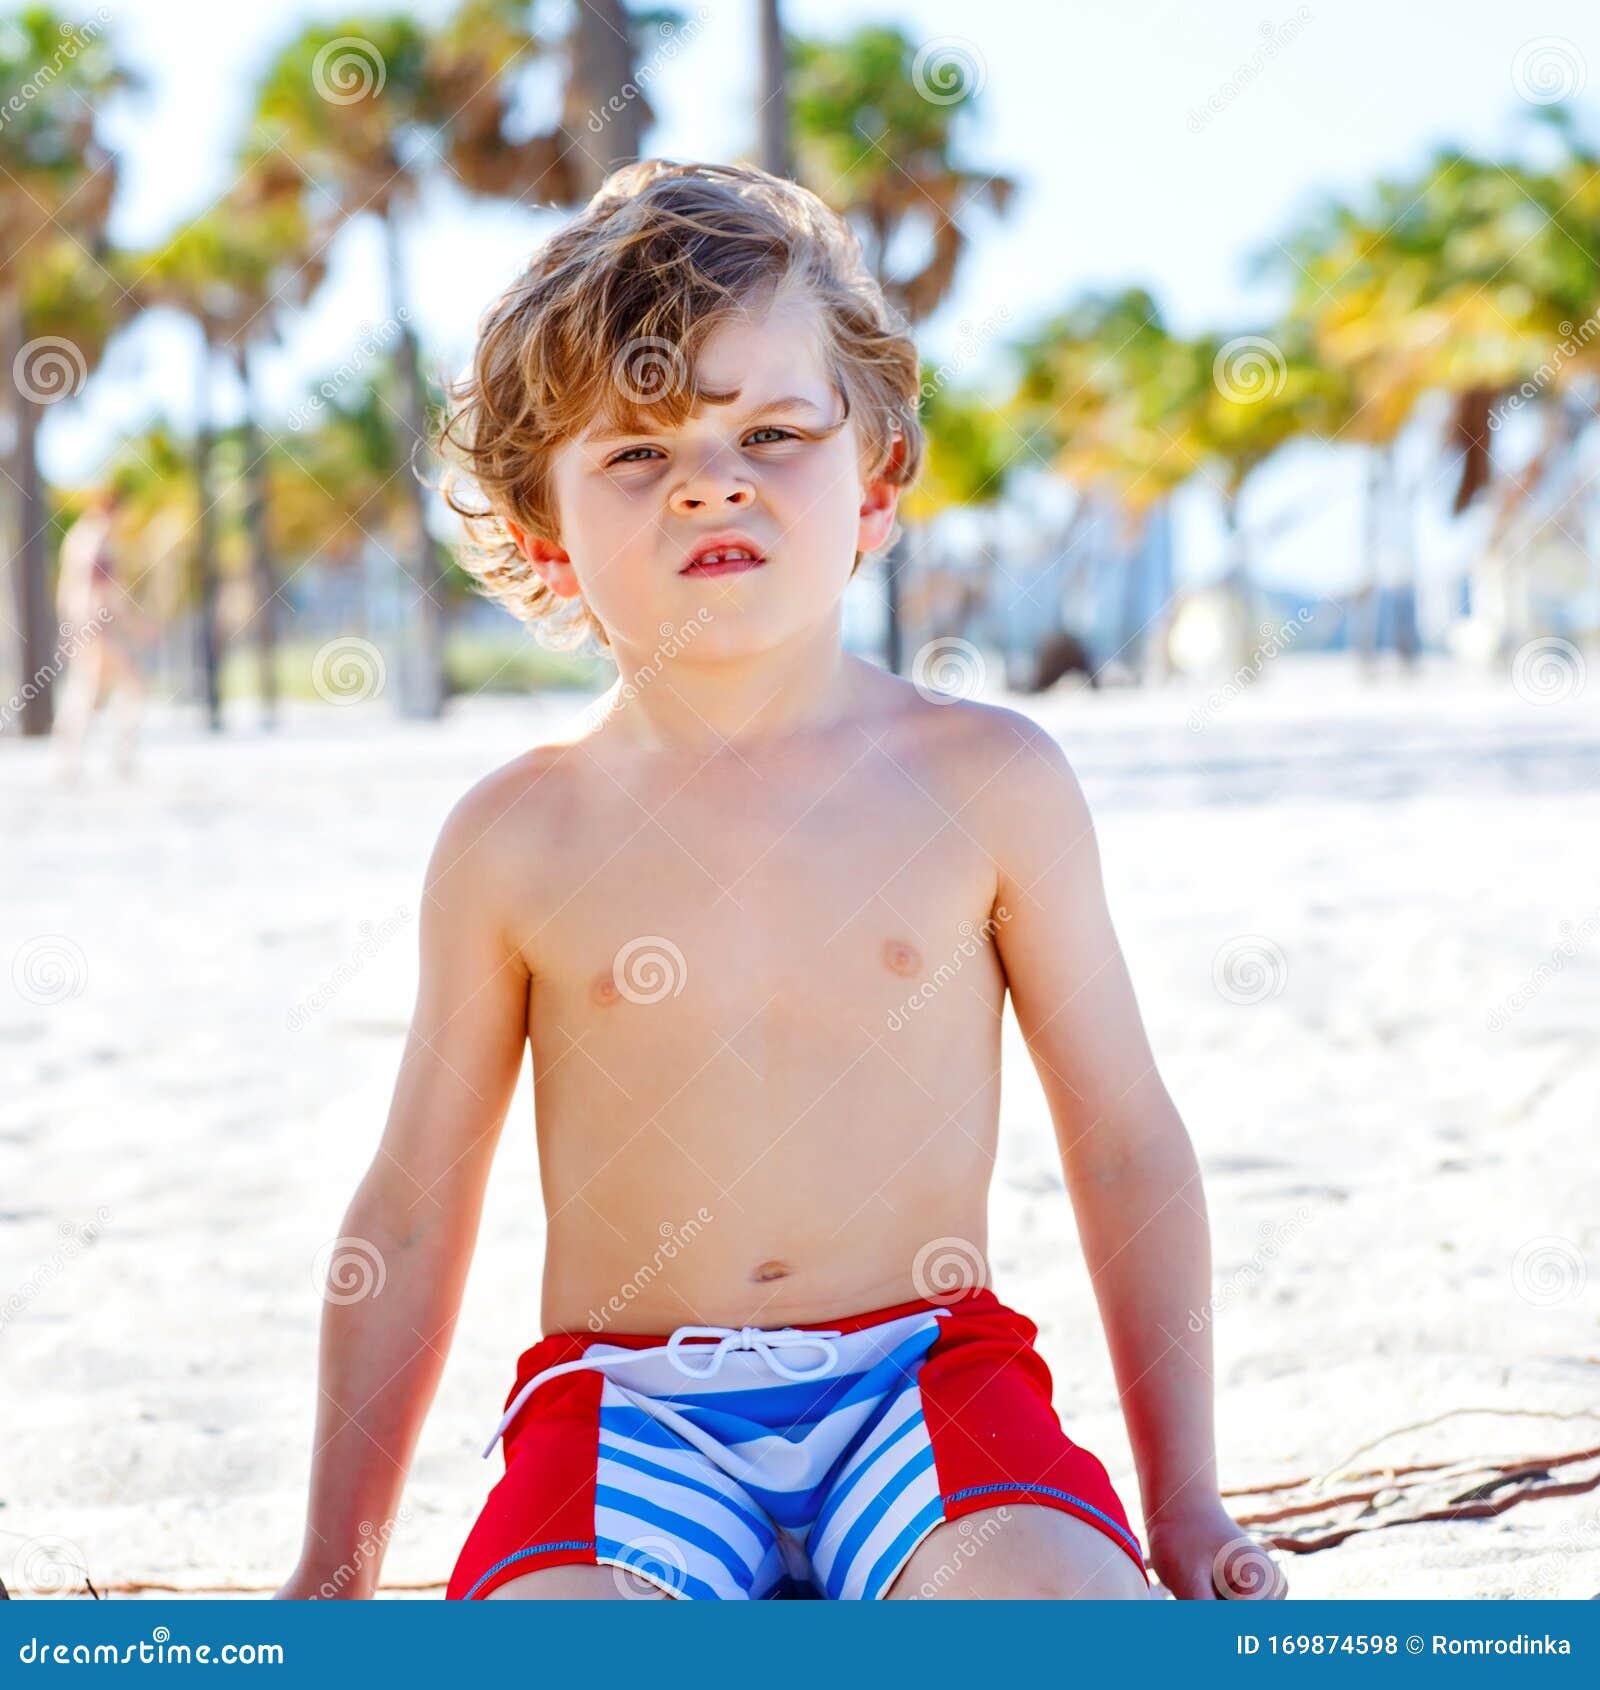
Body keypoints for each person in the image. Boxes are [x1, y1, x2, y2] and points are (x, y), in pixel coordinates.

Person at [276, 160, 1280, 1603]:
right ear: (547, 531)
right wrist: (333, 1561)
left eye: (772, 429)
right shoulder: (519, 838)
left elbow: (1123, 1142)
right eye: (636, 453)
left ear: (872, 483)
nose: (714, 477)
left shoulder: (986, 784)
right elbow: (413, 1209)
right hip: (625, 1407)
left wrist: (1184, 1501)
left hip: (929, 1381)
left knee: (1060, 1610)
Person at [53, 486, 150, 781]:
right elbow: (102, 585)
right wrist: (132, 624)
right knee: (122, 688)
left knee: (90, 689)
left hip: (83, 624)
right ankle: (110, 756)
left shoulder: (77, 536)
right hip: (97, 626)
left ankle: (72, 758)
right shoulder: (97, 536)